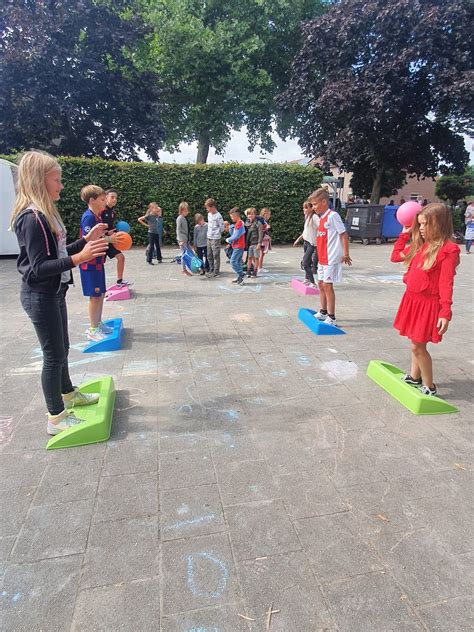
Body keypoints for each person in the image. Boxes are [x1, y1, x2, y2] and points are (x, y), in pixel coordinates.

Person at [10, 151, 108, 435]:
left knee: (62, 347)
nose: (61, 185)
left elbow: (58, 253)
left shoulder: (44, 214)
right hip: (39, 295)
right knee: (53, 355)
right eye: (57, 179)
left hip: (54, 292)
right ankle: (56, 417)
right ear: (40, 181)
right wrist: (81, 257)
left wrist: (85, 241)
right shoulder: (32, 218)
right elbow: (39, 267)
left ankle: (67, 393)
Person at [391, 203, 460, 396]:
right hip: (412, 301)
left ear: (438, 224)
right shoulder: (421, 245)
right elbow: (395, 256)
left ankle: (429, 386)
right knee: (415, 342)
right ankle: (415, 376)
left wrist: (445, 312)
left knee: (417, 345)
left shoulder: (449, 250)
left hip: (428, 304)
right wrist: (404, 234)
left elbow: (446, 284)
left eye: (424, 224)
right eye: (419, 224)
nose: (420, 228)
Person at [310, 188, 352, 326]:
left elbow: (343, 234)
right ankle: (323, 312)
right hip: (322, 257)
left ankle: (332, 317)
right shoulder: (321, 218)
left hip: (331, 257)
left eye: (315, 204)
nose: (313, 207)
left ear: (324, 202)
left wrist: (346, 254)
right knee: (321, 284)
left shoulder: (333, 216)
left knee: (328, 286)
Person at [80, 186, 116, 341]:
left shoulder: (98, 216)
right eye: (102, 199)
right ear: (92, 200)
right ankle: (93, 329)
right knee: (95, 295)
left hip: (98, 261)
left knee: (100, 293)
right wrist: (110, 239)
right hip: (90, 263)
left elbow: (100, 235)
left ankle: (98, 323)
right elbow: (91, 239)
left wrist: (108, 234)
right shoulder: (88, 217)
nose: (104, 202)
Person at [102, 189, 130, 287]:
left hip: (111, 240)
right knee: (100, 264)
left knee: (121, 258)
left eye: (116, 198)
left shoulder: (112, 213)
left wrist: (116, 231)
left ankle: (119, 281)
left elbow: (110, 227)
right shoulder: (101, 211)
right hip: (102, 240)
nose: (115, 199)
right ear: (106, 198)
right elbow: (97, 228)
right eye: (112, 197)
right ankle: (99, 285)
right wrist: (106, 233)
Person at [293, 201, 319, 287]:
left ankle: (313, 282)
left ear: (311, 208)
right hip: (306, 242)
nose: (304, 209)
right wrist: (298, 239)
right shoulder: (307, 217)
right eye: (303, 208)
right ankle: (307, 279)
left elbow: (321, 228)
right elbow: (305, 231)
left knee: (305, 263)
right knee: (308, 262)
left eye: (306, 208)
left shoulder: (315, 217)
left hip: (312, 243)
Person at [226, 208, 246, 285]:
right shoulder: (239, 223)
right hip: (238, 245)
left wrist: (228, 240)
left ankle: (241, 274)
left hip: (239, 246)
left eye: (232, 217)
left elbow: (236, 236)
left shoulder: (239, 224)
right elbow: (235, 234)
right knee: (238, 262)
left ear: (235, 216)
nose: (231, 218)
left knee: (233, 262)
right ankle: (239, 277)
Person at [205, 198, 224, 277]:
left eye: (208, 208)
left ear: (212, 207)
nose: (207, 209)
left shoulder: (218, 216)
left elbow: (222, 228)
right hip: (209, 237)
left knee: (215, 255)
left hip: (215, 238)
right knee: (209, 254)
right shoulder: (209, 214)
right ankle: (211, 269)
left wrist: (217, 232)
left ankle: (216, 272)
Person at [245, 208, 263, 278]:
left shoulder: (258, 223)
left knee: (256, 258)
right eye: (249, 214)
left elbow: (260, 234)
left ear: (255, 215)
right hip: (249, 244)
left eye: (252, 214)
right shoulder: (247, 223)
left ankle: (255, 271)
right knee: (249, 257)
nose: (250, 216)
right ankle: (248, 271)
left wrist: (259, 243)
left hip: (256, 243)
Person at [176, 201, 192, 276]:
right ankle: (184, 270)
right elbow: (178, 229)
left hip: (186, 239)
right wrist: (180, 240)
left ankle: (192, 268)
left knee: (190, 253)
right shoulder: (180, 218)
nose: (187, 212)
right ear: (182, 210)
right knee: (184, 255)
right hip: (182, 240)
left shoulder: (184, 218)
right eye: (186, 210)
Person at [257, 207, 272, 272]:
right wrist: (267, 227)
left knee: (261, 253)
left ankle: (258, 267)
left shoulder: (260, 220)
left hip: (261, 238)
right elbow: (261, 230)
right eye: (269, 214)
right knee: (261, 253)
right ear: (265, 213)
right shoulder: (262, 220)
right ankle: (259, 267)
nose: (269, 216)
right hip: (262, 239)